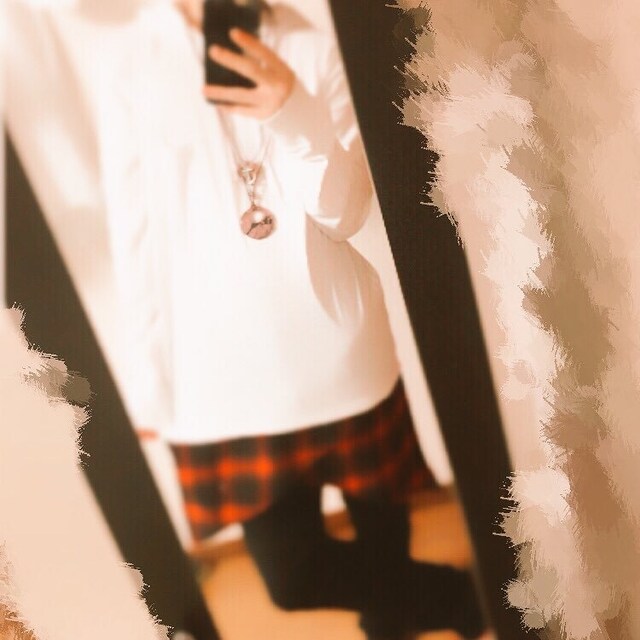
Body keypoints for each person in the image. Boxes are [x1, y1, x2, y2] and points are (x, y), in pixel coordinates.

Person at [152, 2, 487, 639]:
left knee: (384, 559)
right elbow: (138, 236)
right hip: (233, 376)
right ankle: (459, 597)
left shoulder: (309, 45)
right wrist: (152, 379)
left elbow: (344, 215)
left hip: (343, 353)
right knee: (293, 578)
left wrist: (292, 114)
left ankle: (406, 618)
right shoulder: (139, 65)